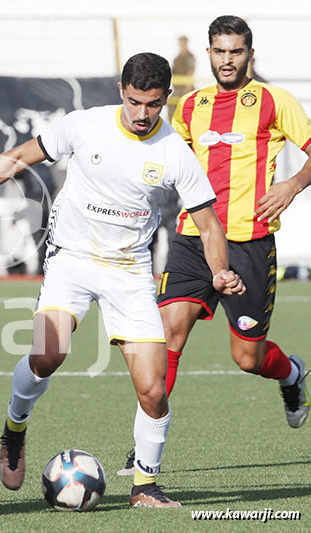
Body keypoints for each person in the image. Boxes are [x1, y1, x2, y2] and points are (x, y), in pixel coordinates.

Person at [0, 53, 245, 508]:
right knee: (46, 356)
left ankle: (145, 488)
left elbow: (209, 224)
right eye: (137, 101)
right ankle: (15, 427)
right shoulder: (84, 125)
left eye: (154, 105)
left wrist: (220, 271)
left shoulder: (175, 151)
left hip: (130, 271)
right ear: (122, 90)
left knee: (154, 390)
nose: (143, 114)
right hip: (71, 260)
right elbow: (18, 157)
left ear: (166, 99)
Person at [118, 15, 311, 476]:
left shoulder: (274, 101)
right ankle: (144, 451)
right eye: (220, 51)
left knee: (248, 358)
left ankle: (291, 374)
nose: (227, 60)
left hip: (249, 242)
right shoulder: (188, 106)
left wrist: (293, 184)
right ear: (208, 53)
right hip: (193, 236)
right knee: (167, 336)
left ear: (250, 53)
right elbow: (160, 158)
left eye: (236, 51)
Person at [167, 36, 196, 119]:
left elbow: (190, 71)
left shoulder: (189, 56)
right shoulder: (177, 57)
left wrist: (188, 87)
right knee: (171, 103)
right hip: (177, 86)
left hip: (185, 86)